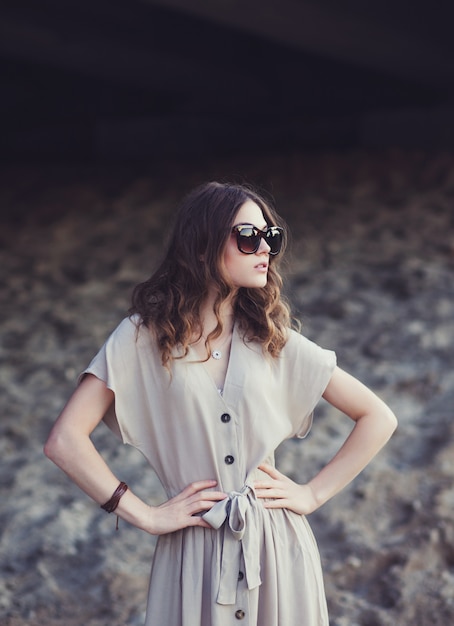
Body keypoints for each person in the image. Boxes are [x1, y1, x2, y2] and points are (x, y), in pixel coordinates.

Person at [44, 181, 397, 625]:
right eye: (248, 237)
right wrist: (144, 514)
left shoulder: (273, 339)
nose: (263, 249)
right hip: (192, 551)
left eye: (270, 237)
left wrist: (311, 493)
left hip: (275, 549)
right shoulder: (140, 338)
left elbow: (378, 416)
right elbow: (64, 440)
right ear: (201, 247)